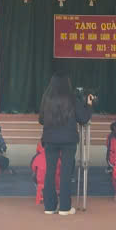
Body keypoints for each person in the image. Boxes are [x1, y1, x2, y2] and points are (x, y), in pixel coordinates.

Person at [38, 72, 93, 215]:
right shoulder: (73, 98)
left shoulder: (46, 98)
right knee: (66, 173)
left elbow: (41, 120)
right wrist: (89, 105)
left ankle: (49, 207)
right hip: (68, 140)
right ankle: (64, 207)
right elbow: (83, 119)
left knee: (50, 172)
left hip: (50, 139)